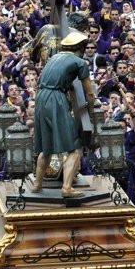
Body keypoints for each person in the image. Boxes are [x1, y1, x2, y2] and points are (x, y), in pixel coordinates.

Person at [31, 32, 96, 198]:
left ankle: (37, 184)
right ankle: (66, 188)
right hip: (56, 99)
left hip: (41, 98)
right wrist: (90, 111)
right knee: (75, 149)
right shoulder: (80, 62)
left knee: (46, 148)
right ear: (81, 48)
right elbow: (89, 93)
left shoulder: (54, 58)